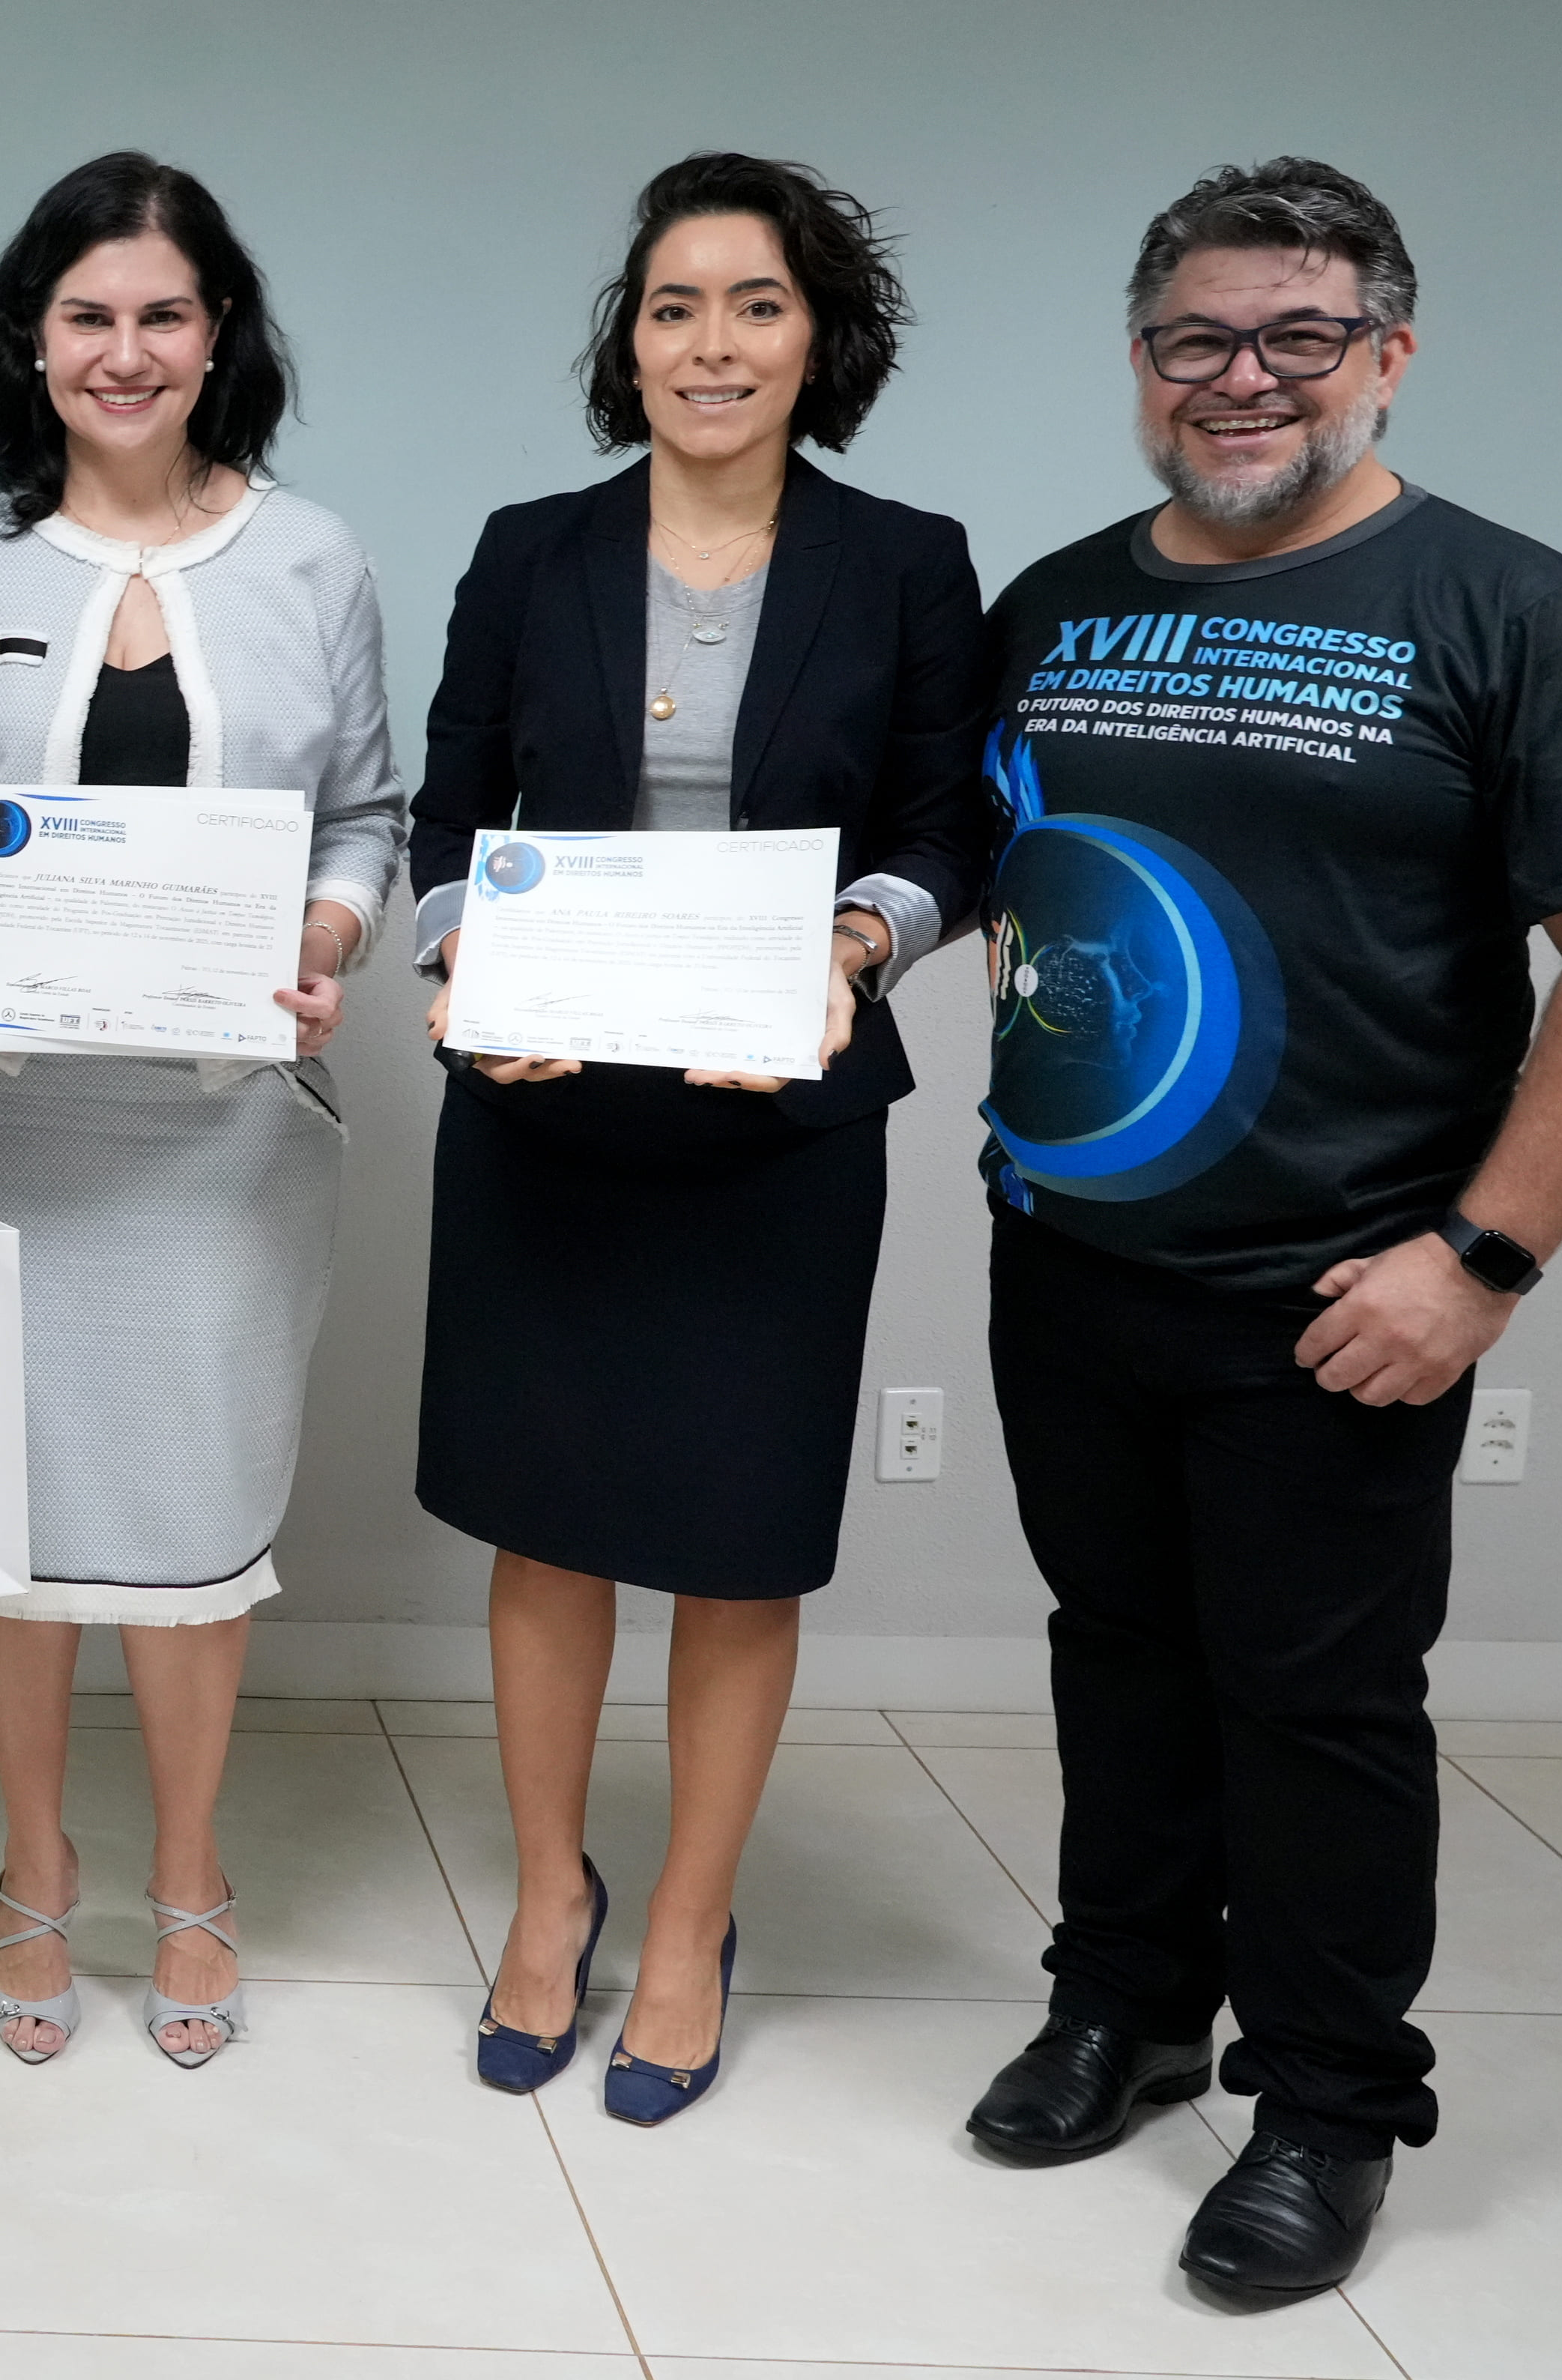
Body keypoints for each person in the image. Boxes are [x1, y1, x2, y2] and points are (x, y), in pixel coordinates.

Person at [957, 160, 1562, 2304]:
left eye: (1300, 335)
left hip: (1342, 1294)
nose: (1245, 377)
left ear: (1389, 353)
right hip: (1071, 1262)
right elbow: (982, 880)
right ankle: (1125, 2005)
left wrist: (1480, 1261)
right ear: (1140, 362)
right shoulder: (1054, 605)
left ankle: (1325, 2104)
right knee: (1116, 1652)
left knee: (1318, 1706)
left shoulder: (1510, 610)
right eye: (1198, 338)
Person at [406, 151, 998, 2125]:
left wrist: (854, 946)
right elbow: (447, 819)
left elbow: (948, 832)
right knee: (550, 1524)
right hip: (550, 1111)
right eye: (675, 307)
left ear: (819, 338)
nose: (713, 343)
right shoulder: (533, 550)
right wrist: (463, 963)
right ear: (631, 340)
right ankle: (551, 1895)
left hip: (780, 1122)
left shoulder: (904, 561)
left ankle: (688, 1918)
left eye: (756, 304)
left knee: (741, 1543)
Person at [0, 151, 406, 2070]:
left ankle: (186, 1869)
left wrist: (326, 937)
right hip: (0, 1123)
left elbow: (365, 816)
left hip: (221, 1135)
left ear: (217, 333)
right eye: (87, 314)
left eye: (163, 313)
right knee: (8, 1520)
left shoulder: (313, 561)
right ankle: (33, 1864)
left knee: (189, 1520)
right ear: (32, 337)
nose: (125, 350)